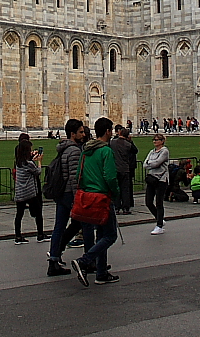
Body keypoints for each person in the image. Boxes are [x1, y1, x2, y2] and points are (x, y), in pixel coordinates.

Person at [70, 117, 120, 286]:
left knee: (101, 236)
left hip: (88, 197)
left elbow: (78, 175)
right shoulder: (106, 151)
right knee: (110, 235)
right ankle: (84, 261)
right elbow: (110, 177)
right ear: (107, 131)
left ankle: (101, 272)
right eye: (111, 130)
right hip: (102, 197)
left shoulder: (86, 151)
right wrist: (116, 193)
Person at [47, 119, 90, 277]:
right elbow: (74, 178)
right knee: (84, 224)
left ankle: (54, 259)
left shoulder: (63, 149)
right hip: (69, 194)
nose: (83, 134)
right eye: (80, 132)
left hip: (61, 194)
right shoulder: (74, 151)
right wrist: (77, 198)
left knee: (60, 226)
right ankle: (88, 260)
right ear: (73, 134)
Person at [13, 139, 45, 244]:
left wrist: (32, 158)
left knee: (19, 214)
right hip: (30, 192)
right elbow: (38, 172)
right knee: (38, 213)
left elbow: (28, 164)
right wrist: (39, 161)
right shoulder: (29, 164)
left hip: (20, 192)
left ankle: (18, 236)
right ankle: (40, 234)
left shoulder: (19, 163)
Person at [143, 133, 170, 235]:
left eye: (157, 140)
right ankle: (160, 219)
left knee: (159, 203)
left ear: (162, 141)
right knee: (148, 202)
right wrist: (151, 164)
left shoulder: (165, 151)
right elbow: (145, 164)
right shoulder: (151, 151)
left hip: (161, 179)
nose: (154, 141)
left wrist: (151, 163)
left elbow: (157, 163)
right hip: (152, 178)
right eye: (153, 140)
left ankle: (159, 226)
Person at [109, 127, 133, 215]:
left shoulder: (113, 142)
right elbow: (135, 151)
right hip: (125, 169)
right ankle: (126, 208)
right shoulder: (128, 144)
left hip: (115, 168)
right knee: (125, 189)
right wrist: (130, 141)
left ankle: (117, 207)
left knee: (117, 189)